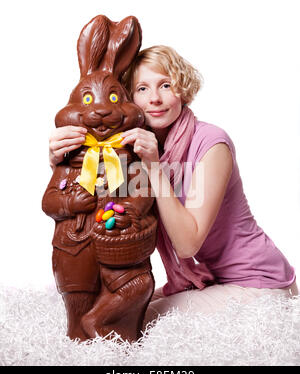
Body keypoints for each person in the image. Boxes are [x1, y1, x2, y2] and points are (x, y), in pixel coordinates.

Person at [49, 45, 298, 325]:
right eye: (142, 89)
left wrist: (154, 168)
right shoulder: (133, 148)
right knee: (115, 307)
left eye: (165, 85)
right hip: (206, 280)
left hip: (260, 284)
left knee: (127, 323)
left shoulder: (212, 143)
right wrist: (63, 160)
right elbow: (105, 201)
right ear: (129, 99)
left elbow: (187, 245)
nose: (154, 98)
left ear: (183, 89)